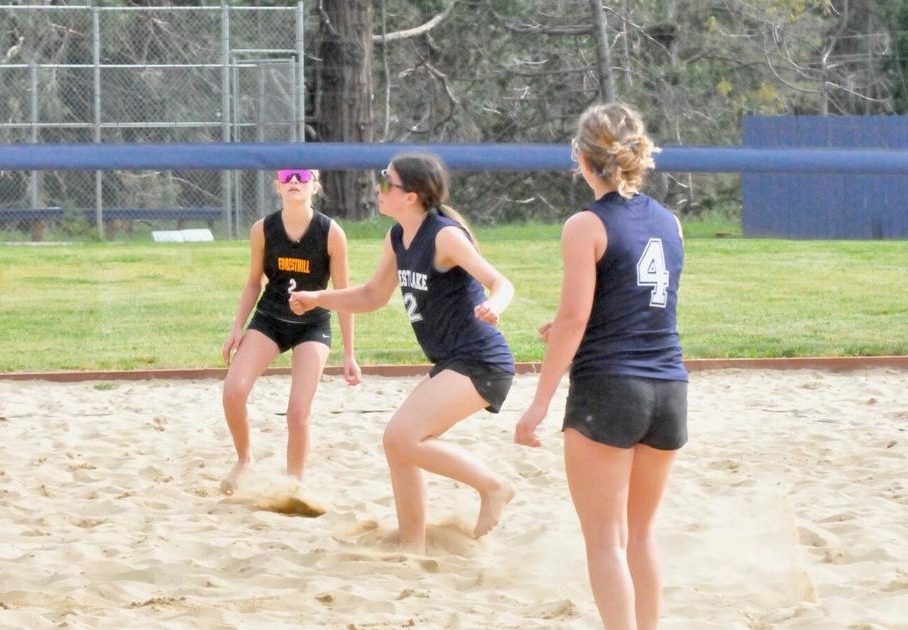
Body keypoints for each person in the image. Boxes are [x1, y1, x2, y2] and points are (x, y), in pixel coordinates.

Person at [514, 103, 687, 630]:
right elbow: (639, 301)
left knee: (604, 541)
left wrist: (539, 403)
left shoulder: (584, 224)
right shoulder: (671, 221)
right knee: (640, 536)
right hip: (669, 389)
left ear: (583, 160)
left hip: (610, 391)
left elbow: (573, 318)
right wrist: (570, 325)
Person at [289, 152, 516, 552]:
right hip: (452, 360)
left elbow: (501, 282)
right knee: (400, 444)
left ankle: (493, 485)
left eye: (385, 181)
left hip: (481, 359)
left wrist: (494, 306)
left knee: (400, 436)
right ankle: (413, 546)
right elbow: (373, 295)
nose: (378, 188)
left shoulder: (444, 235)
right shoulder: (398, 237)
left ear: (411, 196)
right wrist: (318, 298)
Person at [220, 168, 361, 494]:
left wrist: (350, 354)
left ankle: (294, 484)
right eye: (287, 177)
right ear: (277, 186)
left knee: (298, 412)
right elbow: (254, 282)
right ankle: (245, 459)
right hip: (270, 320)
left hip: (312, 326)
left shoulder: (330, 232)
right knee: (233, 391)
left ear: (315, 185)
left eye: (302, 176)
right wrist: (237, 327)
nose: (294, 181)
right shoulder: (263, 230)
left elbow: (343, 294)